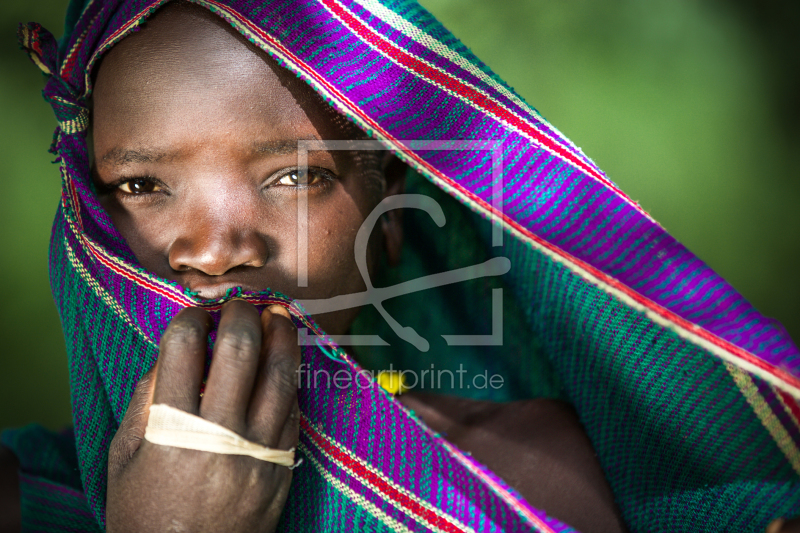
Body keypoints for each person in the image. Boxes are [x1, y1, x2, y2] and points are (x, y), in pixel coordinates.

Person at [3, 0, 799, 532]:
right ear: (91, 218)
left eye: (295, 176)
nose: (215, 249)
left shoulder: (527, 474)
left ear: (388, 221)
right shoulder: (31, 496)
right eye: (141, 186)